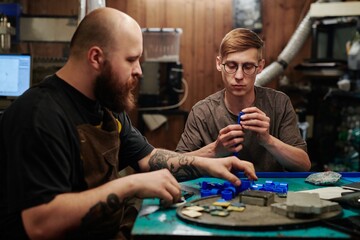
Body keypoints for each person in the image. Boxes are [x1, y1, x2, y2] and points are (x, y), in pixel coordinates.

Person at [0, 8, 258, 240]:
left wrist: (210, 164)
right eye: (131, 59)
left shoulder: (106, 105)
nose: (139, 71)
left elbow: (149, 158)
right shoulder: (39, 116)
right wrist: (130, 184)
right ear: (96, 58)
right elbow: (39, 224)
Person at [176, 28, 311, 172]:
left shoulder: (279, 104)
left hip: (269, 192)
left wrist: (268, 140)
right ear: (219, 64)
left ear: (260, 67)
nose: (239, 75)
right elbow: (176, 166)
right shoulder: (202, 112)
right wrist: (215, 150)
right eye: (231, 66)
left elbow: (304, 165)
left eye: (248, 66)